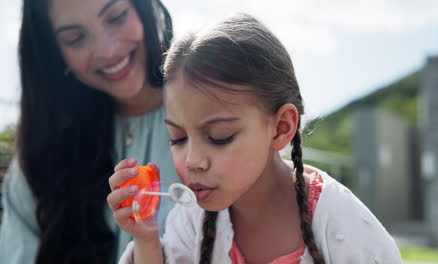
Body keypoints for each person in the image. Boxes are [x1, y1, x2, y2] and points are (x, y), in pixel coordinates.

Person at [108, 13, 403, 264]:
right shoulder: (191, 221)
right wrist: (146, 239)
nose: (192, 161)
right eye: (177, 138)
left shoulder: (346, 228)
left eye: (219, 137)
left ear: (281, 128)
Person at [0, 0, 179, 263]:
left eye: (116, 17)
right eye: (75, 38)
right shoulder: (38, 161)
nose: (108, 50)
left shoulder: (222, 117)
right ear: (53, 51)